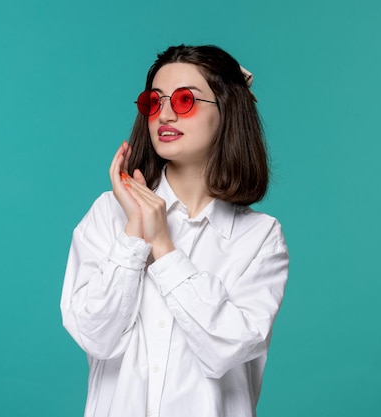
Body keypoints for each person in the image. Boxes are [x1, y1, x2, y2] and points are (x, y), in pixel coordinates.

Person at [60, 44, 289, 417]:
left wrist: (164, 248)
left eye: (185, 100)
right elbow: (94, 336)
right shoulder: (108, 214)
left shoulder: (260, 238)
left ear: (227, 110)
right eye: (154, 101)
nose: (164, 115)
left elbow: (226, 348)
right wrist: (134, 234)